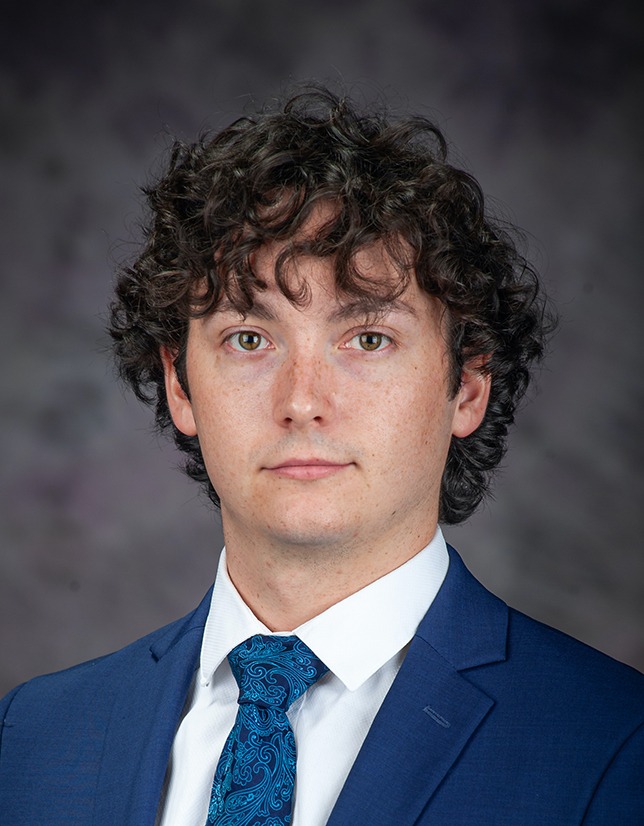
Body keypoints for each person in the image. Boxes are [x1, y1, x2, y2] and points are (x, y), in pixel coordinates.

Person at [1, 86, 643, 826]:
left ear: (467, 386)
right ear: (180, 383)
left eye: (367, 339)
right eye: (250, 339)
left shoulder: (615, 747)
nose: (302, 400)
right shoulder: (27, 739)